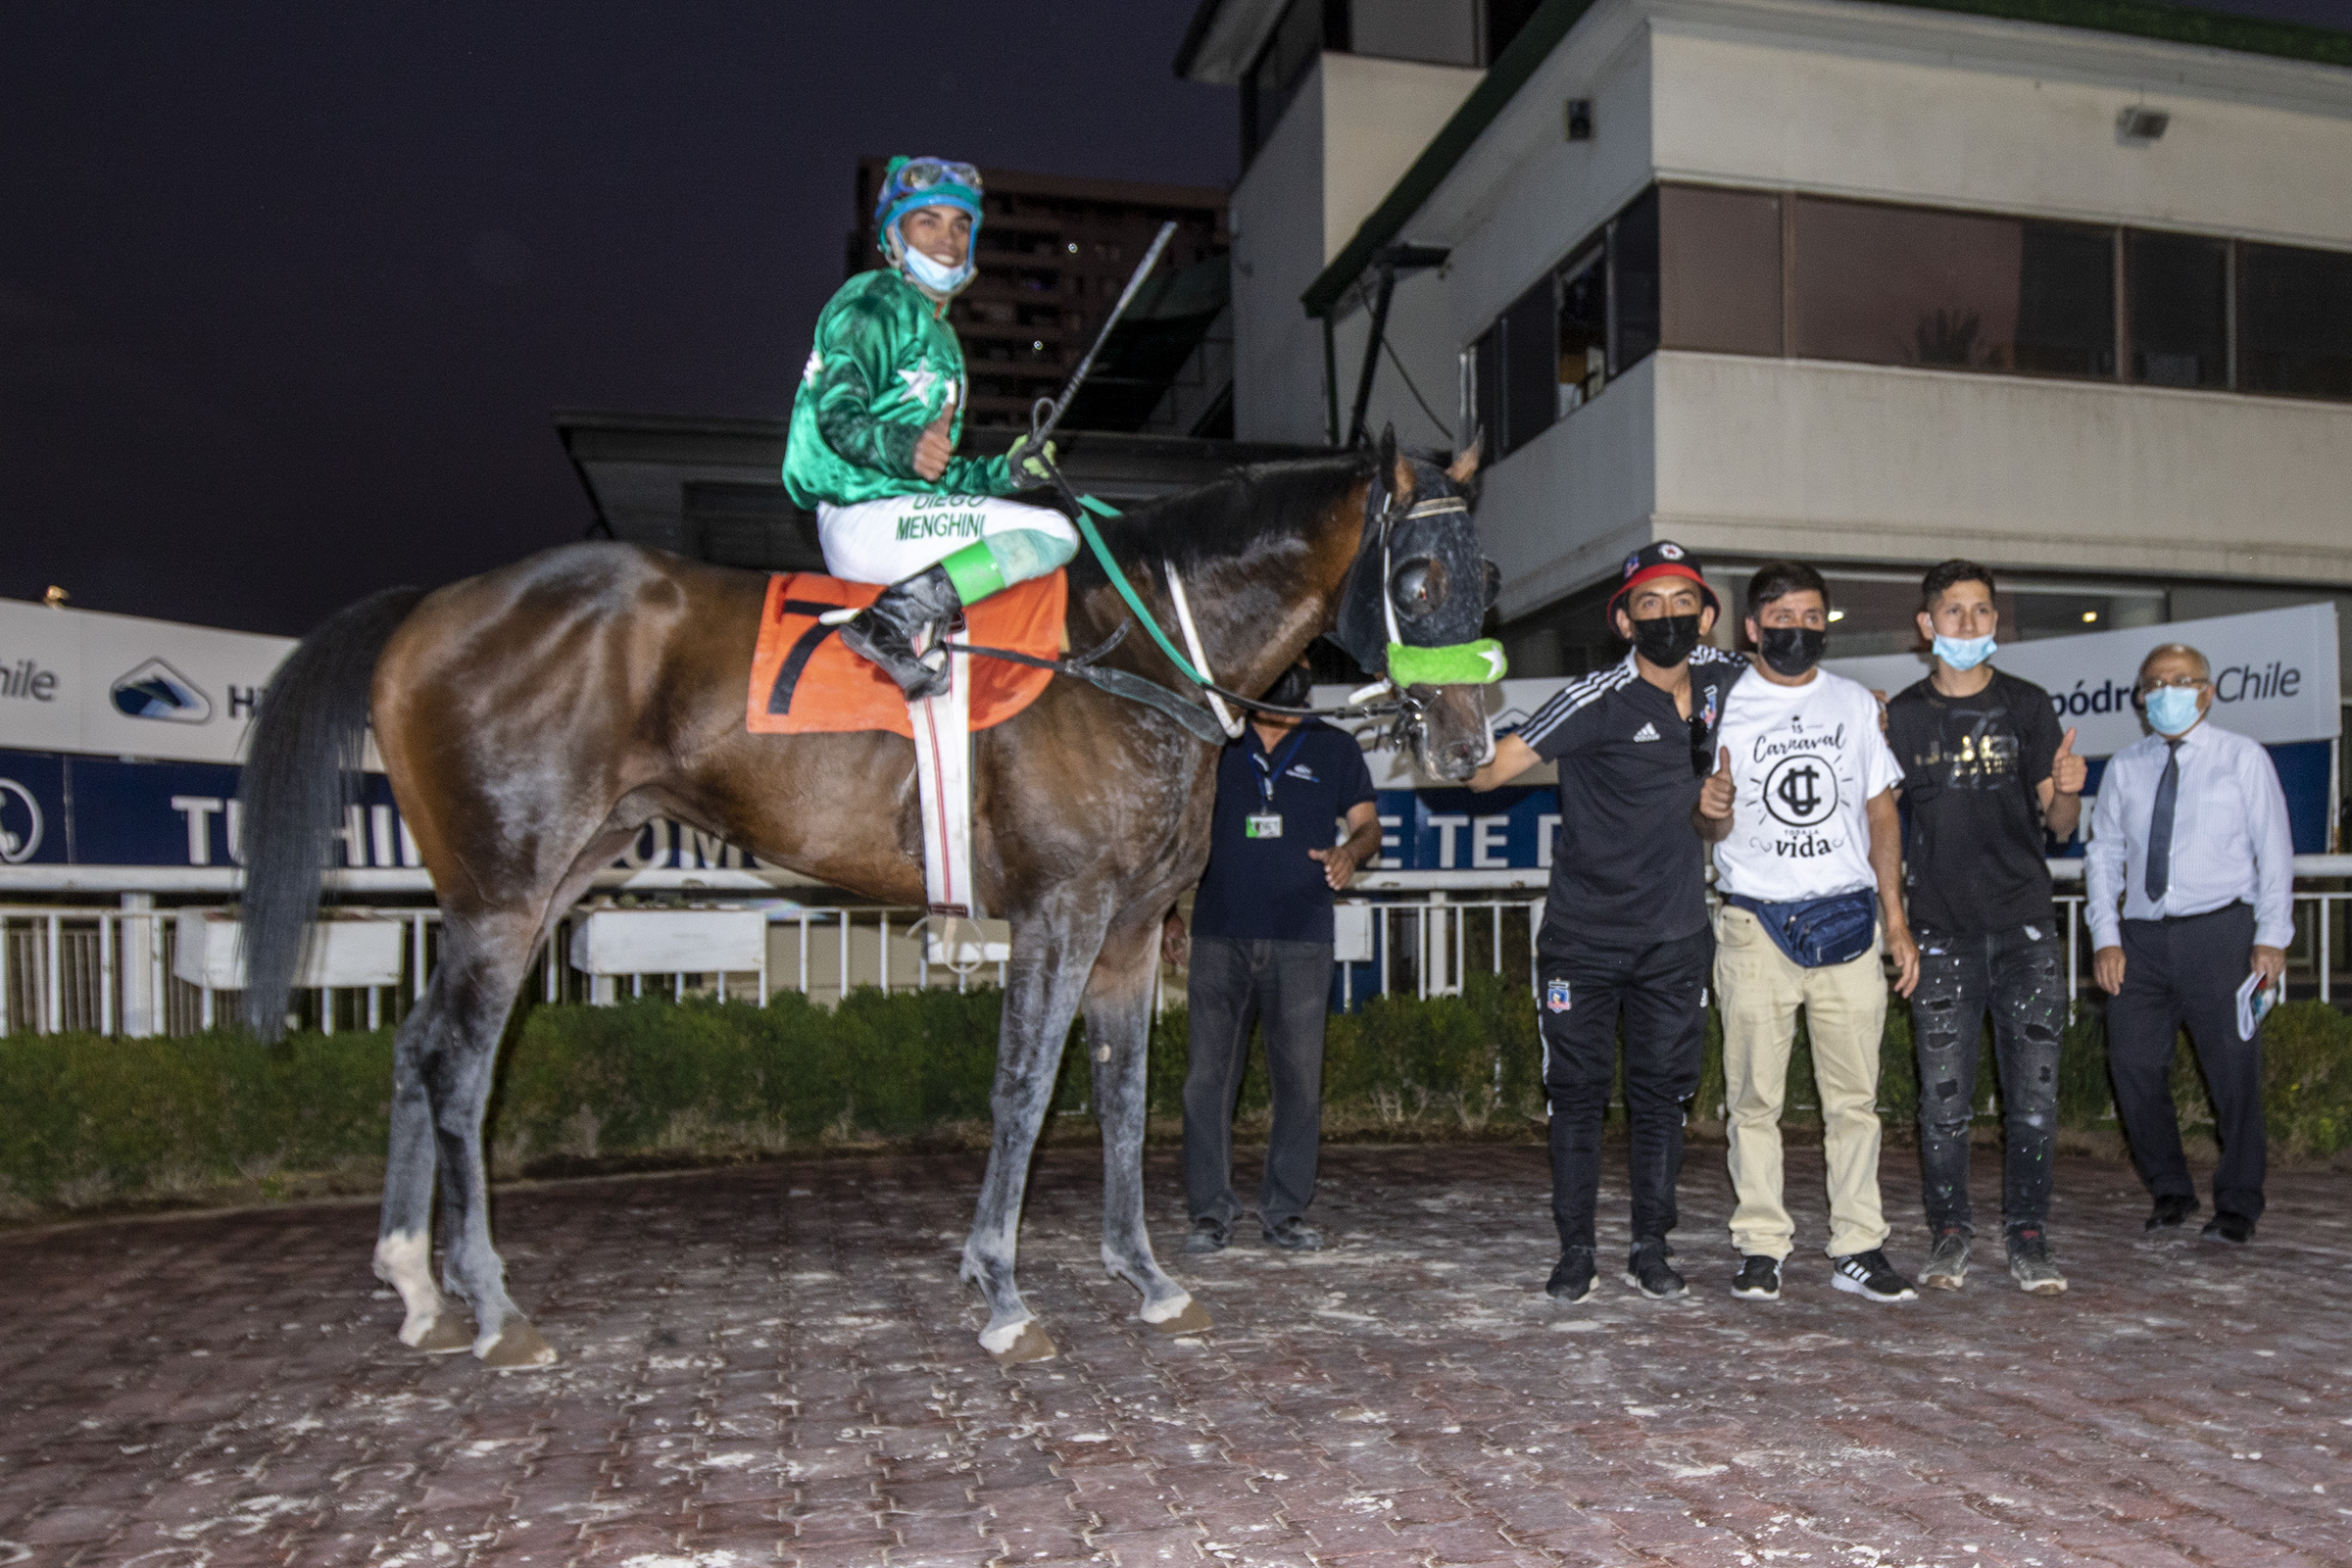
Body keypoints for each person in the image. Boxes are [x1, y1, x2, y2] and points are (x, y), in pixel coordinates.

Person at [1470, 541, 1742, 1303]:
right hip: (1583, 942)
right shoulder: (1594, 697)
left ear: (1707, 616)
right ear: (1624, 622)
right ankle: (1576, 1248)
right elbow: (1487, 772)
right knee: (1578, 1094)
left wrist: (1866, 703)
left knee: (1662, 1097)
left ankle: (1651, 1245)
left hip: (1675, 938)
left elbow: (1808, 695)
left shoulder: (1730, 680)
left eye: (1682, 602)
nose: (1667, 617)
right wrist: (1441, 713)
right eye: (1648, 604)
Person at [1702, 563, 1918, 1305]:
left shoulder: (1855, 703)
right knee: (1753, 1100)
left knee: (1854, 1102)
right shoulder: (1721, 707)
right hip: (1754, 922)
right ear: (1753, 627)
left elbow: (1881, 813)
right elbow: (1707, 825)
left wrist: (1896, 920)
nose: (1799, 630)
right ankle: (1760, 1246)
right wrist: (1713, 808)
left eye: (1812, 617)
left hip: (1849, 923)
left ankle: (1858, 1246)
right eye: (1783, 618)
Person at [781, 156, 1071, 700]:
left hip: (901, 514)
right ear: (894, 235)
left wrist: (1006, 474)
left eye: (961, 225)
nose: (948, 239)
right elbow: (836, 416)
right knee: (1054, 533)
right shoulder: (874, 301)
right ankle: (886, 623)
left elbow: (936, 475)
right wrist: (905, 445)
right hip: (862, 517)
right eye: (928, 221)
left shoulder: (943, 337)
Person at [1884, 560, 2085, 1296]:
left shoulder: (2027, 705)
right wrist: (1896, 922)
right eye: (1953, 611)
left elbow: (2059, 824)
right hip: (1940, 935)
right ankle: (1950, 1234)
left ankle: (2028, 1236)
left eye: (1981, 611)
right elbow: (1881, 823)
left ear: (1996, 621)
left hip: (2025, 930)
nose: (1968, 624)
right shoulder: (1902, 717)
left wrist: (2069, 792)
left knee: (2033, 1104)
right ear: (1927, 624)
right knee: (1943, 1105)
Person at [1167, 660, 1381, 1254]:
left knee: (1300, 1085)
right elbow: (1177, 834)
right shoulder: (1216, 742)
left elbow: (1368, 826)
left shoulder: (1334, 747)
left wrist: (1351, 853)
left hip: (1302, 937)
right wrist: (1167, 913)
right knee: (1207, 1083)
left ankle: (1285, 1212)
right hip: (1220, 935)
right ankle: (1210, 1213)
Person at [2086, 643, 2292, 1244]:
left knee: (2233, 1075)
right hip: (2140, 941)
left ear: (2207, 691)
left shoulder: (2241, 757)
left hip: (2221, 934)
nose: (2165, 692)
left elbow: (2274, 850)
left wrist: (2272, 936)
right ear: (2140, 697)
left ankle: (2238, 1204)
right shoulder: (2125, 766)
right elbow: (2104, 856)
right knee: (2132, 1066)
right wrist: (2106, 937)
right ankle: (2170, 1190)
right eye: (2153, 683)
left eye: (2179, 681)